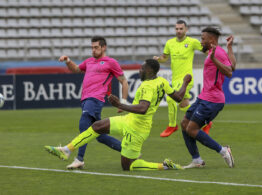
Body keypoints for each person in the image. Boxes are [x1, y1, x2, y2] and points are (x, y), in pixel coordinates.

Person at [45, 59, 192, 171]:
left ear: (150, 71)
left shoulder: (147, 86)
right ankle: (66, 150)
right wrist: (185, 82)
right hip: (130, 120)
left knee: (128, 166)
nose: (139, 70)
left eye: (142, 68)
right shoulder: (161, 81)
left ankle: (164, 166)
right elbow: (179, 97)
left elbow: (143, 108)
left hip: (138, 129)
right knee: (97, 126)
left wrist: (120, 105)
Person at [59, 36, 129, 169]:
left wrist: (123, 103)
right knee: (100, 136)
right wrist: (67, 60)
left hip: (96, 99)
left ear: (104, 47)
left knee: (84, 124)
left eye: (96, 47)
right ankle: (129, 151)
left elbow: (124, 81)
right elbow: (76, 69)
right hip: (86, 99)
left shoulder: (111, 62)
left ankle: (78, 158)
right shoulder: (89, 61)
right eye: (92, 47)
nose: (93, 50)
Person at [181, 27, 235, 169]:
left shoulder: (217, 52)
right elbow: (233, 65)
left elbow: (230, 72)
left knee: (192, 129)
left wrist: (214, 59)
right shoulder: (214, 51)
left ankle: (223, 151)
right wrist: (230, 47)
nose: (201, 41)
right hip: (204, 97)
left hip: (213, 100)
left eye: (203, 38)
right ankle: (197, 160)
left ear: (211, 40)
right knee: (184, 124)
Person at [153, 20, 212, 137]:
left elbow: (207, 51)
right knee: (184, 105)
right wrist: (159, 59)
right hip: (175, 79)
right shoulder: (170, 43)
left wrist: (214, 57)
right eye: (177, 29)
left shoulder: (192, 42)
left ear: (186, 30)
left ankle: (172, 125)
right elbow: (165, 57)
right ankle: (206, 122)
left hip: (186, 78)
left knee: (170, 99)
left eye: (181, 29)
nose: (179, 31)